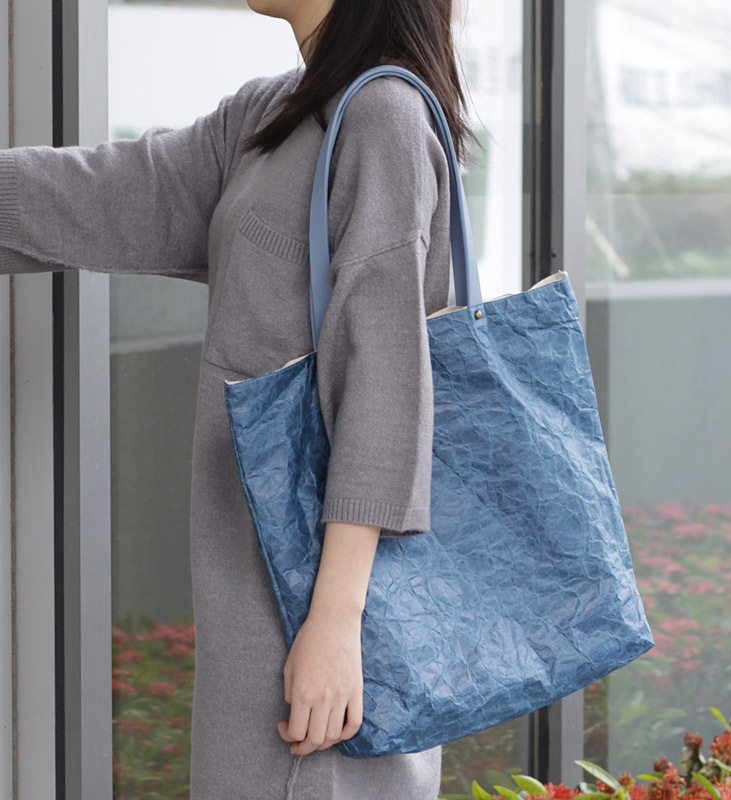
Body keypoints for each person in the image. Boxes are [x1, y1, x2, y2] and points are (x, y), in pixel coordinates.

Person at [0, 0, 481, 797]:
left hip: (324, 616)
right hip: (257, 606)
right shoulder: (270, 114)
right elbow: (106, 194)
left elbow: (386, 386)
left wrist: (336, 624)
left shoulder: (384, 119)